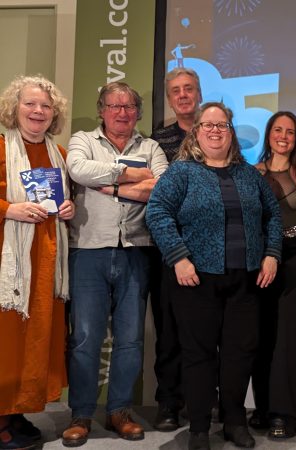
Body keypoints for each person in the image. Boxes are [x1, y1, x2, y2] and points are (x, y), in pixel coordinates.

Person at [145, 102, 282, 450]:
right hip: (196, 279)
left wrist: (271, 254)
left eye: (222, 125)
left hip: (245, 280)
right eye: (208, 125)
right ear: (197, 132)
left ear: (231, 132)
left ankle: (235, 421)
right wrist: (178, 257)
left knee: (239, 354)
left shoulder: (249, 175)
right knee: (198, 354)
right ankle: (200, 428)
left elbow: (274, 217)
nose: (215, 130)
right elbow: (157, 211)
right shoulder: (181, 173)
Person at [63, 82, 168, 447]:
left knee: (130, 340)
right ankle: (81, 413)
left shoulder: (151, 147)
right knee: (85, 338)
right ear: (102, 110)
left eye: (129, 107)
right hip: (88, 251)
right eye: (114, 106)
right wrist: (131, 174)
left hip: (136, 251)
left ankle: (120, 410)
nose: (122, 112)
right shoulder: (82, 140)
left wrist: (110, 184)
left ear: (138, 112)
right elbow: (77, 169)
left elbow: (161, 186)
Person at [0, 75, 74, 450]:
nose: (38, 111)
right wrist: (10, 208)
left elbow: (64, 203)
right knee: (6, 339)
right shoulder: (0, 148)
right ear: (15, 108)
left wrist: (69, 206)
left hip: (45, 265)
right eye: (30, 104)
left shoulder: (58, 154)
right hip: (9, 267)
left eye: (46, 106)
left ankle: (16, 412)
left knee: (35, 340)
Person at [249, 112, 296, 438]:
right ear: (269, 134)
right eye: (278, 130)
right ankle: (262, 408)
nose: (284, 136)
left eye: (290, 131)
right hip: (260, 263)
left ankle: (286, 414)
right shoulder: (251, 173)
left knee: (288, 338)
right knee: (260, 337)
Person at [150, 67, 202, 432]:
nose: (182, 95)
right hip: (168, 250)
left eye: (188, 89)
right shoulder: (157, 140)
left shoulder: (217, 132)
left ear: (199, 93)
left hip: (209, 250)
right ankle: (169, 402)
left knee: (204, 332)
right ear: (169, 98)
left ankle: (203, 400)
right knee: (168, 332)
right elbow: (157, 190)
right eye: (176, 91)